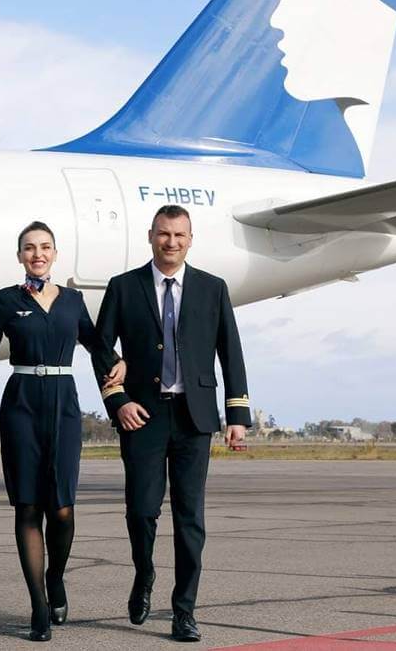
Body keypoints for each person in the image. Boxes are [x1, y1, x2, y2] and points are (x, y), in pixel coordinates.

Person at [0, 222, 124, 641]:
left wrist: (117, 363)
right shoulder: (6, 300)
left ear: (54, 253)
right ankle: (38, 608)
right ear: (19, 256)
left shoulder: (72, 301)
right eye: (29, 248)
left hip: (65, 402)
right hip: (22, 403)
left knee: (62, 508)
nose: (37, 254)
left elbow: (95, 343)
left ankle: (57, 578)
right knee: (28, 507)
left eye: (45, 247)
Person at [92, 205, 251, 643]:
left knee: (189, 519)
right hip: (142, 417)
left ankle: (184, 610)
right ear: (151, 236)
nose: (171, 242)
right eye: (164, 234)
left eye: (180, 235)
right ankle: (144, 576)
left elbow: (230, 352)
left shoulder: (212, 289)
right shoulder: (124, 287)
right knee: (142, 512)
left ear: (191, 238)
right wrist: (117, 400)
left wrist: (237, 415)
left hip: (194, 417)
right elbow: (102, 348)